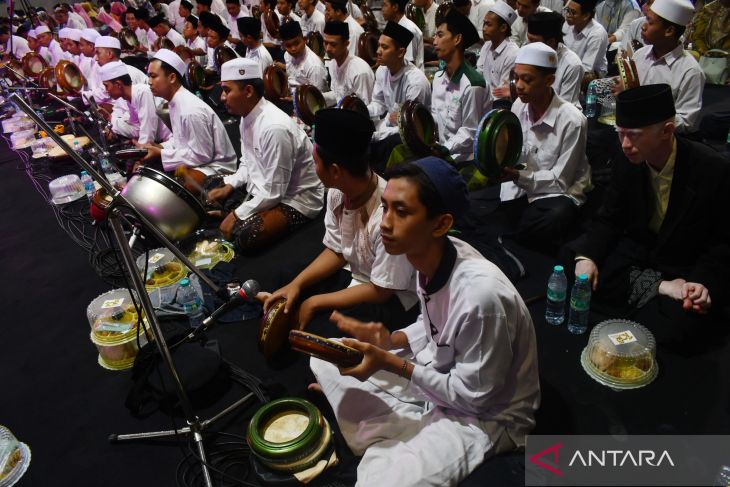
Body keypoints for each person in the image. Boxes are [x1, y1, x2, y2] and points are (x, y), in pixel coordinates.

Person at [310, 156, 540, 487]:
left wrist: (392, 364)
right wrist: (392, 341)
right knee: (326, 355)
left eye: (401, 212)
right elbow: (435, 324)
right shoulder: (427, 253)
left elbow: (477, 398)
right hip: (440, 372)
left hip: (487, 416)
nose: (385, 223)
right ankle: (396, 427)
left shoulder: (482, 297)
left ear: (440, 224)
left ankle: (396, 433)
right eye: (385, 207)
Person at [567, 84, 730, 347]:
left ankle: (647, 293)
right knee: (574, 262)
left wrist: (700, 284)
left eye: (633, 135)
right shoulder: (627, 157)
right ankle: (659, 288)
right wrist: (589, 257)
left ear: (667, 131)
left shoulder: (713, 169)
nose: (625, 145)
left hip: (683, 258)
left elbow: (723, 243)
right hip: (640, 250)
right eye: (619, 134)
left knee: (683, 325)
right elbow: (610, 217)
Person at [265, 108, 418, 330]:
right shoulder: (338, 192)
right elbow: (337, 250)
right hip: (357, 276)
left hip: (390, 296)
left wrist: (315, 302)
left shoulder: (389, 217)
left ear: (335, 170)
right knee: (287, 279)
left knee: (324, 326)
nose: (313, 166)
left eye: (315, 161)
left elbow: (382, 290)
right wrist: (296, 285)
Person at [207, 57, 324, 252]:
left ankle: (236, 214)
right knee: (213, 185)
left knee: (249, 236)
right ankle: (236, 209)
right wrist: (230, 185)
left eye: (227, 90)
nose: (221, 97)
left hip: (295, 198)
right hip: (266, 189)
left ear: (249, 91)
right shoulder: (247, 117)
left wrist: (236, 215)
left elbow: (274, 192)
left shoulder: (274, 127)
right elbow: (248, 162)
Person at [499, 42, 591, 246]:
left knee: (555, 216)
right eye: (516, 77)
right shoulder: (518, 106)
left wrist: (518, 176)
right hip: (523, 185)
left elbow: (561, 181)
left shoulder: (572, 120)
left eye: (527, 79)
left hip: (557, 193)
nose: (518, 85)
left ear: (549, 80)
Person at [140, 49, 237, 176]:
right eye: (148, 76)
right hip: (202, 164)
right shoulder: (175, 101)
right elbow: (181, 139)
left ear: (172, 78)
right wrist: (160, 147)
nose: (149, 81)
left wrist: (161, 154)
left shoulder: (189, 110)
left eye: (154, 76)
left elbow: (202, 155)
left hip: (216, 170)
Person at [627, 0, 705, 133]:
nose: (643, 27)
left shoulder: (690, 71)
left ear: (669, 31)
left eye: (650, 23)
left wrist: (646, 111)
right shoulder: (640, 55)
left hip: (663, 141)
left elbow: (686, 122)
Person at [368, 21, 431, 170]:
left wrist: (377, 135)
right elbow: (379, 103)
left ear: (401, 52)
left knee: (389, 143)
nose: (378, 51)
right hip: (389, 127)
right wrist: (362, 111)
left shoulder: (416, 82)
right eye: (378, 45)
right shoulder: (382, 71)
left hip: (412, 138)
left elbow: (411, 128)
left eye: (384, 47)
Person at [431, 10, 487, 162]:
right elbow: (435, 116)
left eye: (440, 35)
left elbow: (470, 132)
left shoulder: (473, 84)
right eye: (435, 35)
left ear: (457, 39)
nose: (434, 41)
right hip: (442, 153)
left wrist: (445, 149)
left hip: (465, 159)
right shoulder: (437, 78)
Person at [99, 60, 172, 145]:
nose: (105, 90)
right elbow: (136, 130)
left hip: (172, 143)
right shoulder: (130, 98)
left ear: (118, 85)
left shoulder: (142, 92)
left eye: (106, 86)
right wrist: (109, 117)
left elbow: (148, 135)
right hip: (160, 142)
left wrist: (139, 151)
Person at [527, 11, 584, 108]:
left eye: (534, 41)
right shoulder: (528, 51)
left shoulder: (572, 64)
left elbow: (565, 107)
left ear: (551, 42)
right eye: (529, 39)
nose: (529, 44)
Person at [477, 1, 519, 108]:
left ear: (503, 28)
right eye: (484, 23)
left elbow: (501, 94)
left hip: (500, 106)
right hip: (483, 100)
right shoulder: (486, 46)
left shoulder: (512, 54)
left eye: (489, 24)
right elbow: (479, 75)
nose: (484, 28)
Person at [322, 21, 375, 105]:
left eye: (333, 44)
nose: (328, 49)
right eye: (325, 43)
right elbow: (338, 95)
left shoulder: (360, 72)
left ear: (346, 44)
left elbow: (365, 108)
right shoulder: (333, 63)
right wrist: (317, 97)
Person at [563, 0, 609, 77]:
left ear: (586, 16)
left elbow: (587, 68)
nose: (568, 15)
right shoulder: (567, 24)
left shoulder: (597, 34)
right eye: (567, 10)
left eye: (573, 13)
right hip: (568, 67)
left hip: (591, 74)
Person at [279, 21, 328, 91]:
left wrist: (293, 99)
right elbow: (290, 76)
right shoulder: (287, 55)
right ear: (283, 46)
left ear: (304, 40)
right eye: (288, 46)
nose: (293, 49)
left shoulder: (314, 66)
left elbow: (317, 97)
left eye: (296, 43)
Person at [381, 0, 425, 69]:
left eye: (385, 5)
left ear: (395, 7)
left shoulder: (408, 29)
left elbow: (408, 63)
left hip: (410, 76)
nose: (382, 9)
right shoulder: (392, 26)